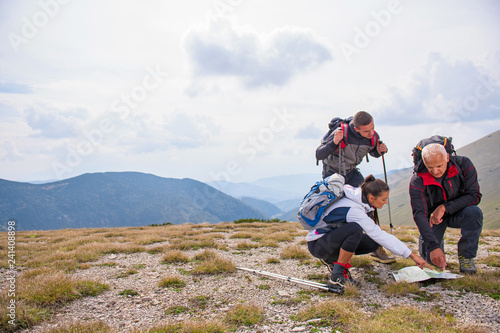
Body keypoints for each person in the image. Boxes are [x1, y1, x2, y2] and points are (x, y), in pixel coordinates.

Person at [307, 175, 430, 287]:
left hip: (327, 240)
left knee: (372, 242)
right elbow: (379, 234)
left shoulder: (357, 198)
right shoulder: (354, 210)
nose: (386, 202)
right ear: (371, 198)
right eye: (383, 199)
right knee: (355, 230)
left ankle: (335, 261)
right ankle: (337, 275)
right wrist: (412, 256)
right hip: (319, 246)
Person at [316, 111, 395, 264]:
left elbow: (373, 151)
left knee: (370, 201)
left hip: (351, 172)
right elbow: (319, 154)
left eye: (373, 129)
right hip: (332, 174)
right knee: (336, 210)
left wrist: (379, 152)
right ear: (356, 129)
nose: (371, 133)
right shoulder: (341, 132)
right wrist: (334, 143)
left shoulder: (372, 136)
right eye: (367, 131)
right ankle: (331, 252)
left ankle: (376, 247)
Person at [409, 143, 482, 274]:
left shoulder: (463, 164)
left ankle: (466, 257)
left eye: (439, 166)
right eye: (430, 167)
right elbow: (419, 214)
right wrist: (433, 246)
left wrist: (444, 208)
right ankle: (428, 242)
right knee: (432, 261)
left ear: (447, 158)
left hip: (458, 212)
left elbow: (475, 196)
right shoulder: (417, 180)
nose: (435, 171)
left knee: (474, 212)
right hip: (433, 219)